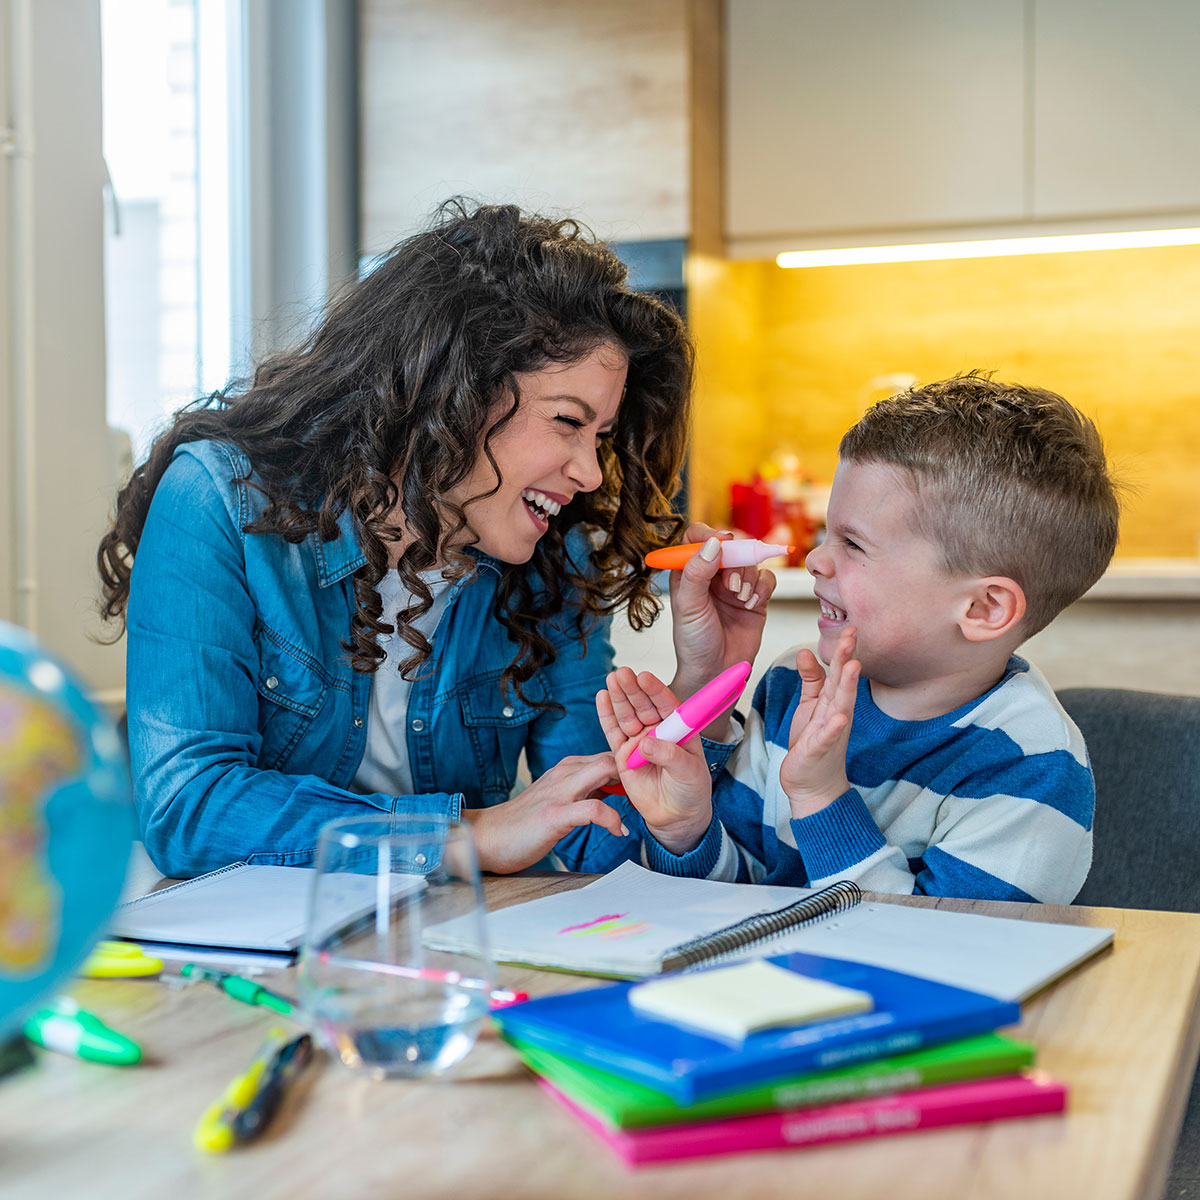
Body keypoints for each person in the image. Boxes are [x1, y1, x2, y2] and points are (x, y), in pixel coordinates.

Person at [98, 200, 775, 879]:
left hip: (453, 951)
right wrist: (465, 837)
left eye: (599, 437)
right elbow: (188, 806)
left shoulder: (553, 553)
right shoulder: (216, 501)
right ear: (452, 393)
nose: (590, 471)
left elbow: (594, 833)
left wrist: (700, 689)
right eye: (567, 421)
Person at [599, 373, 1120, 902]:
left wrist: (821, 796)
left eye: (853, 543)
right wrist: (685, 831)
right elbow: (735, 899)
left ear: (984, 608)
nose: (816, 559)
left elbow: (944, 955)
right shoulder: (790, 688)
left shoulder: (1031, 765)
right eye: (827, 534)